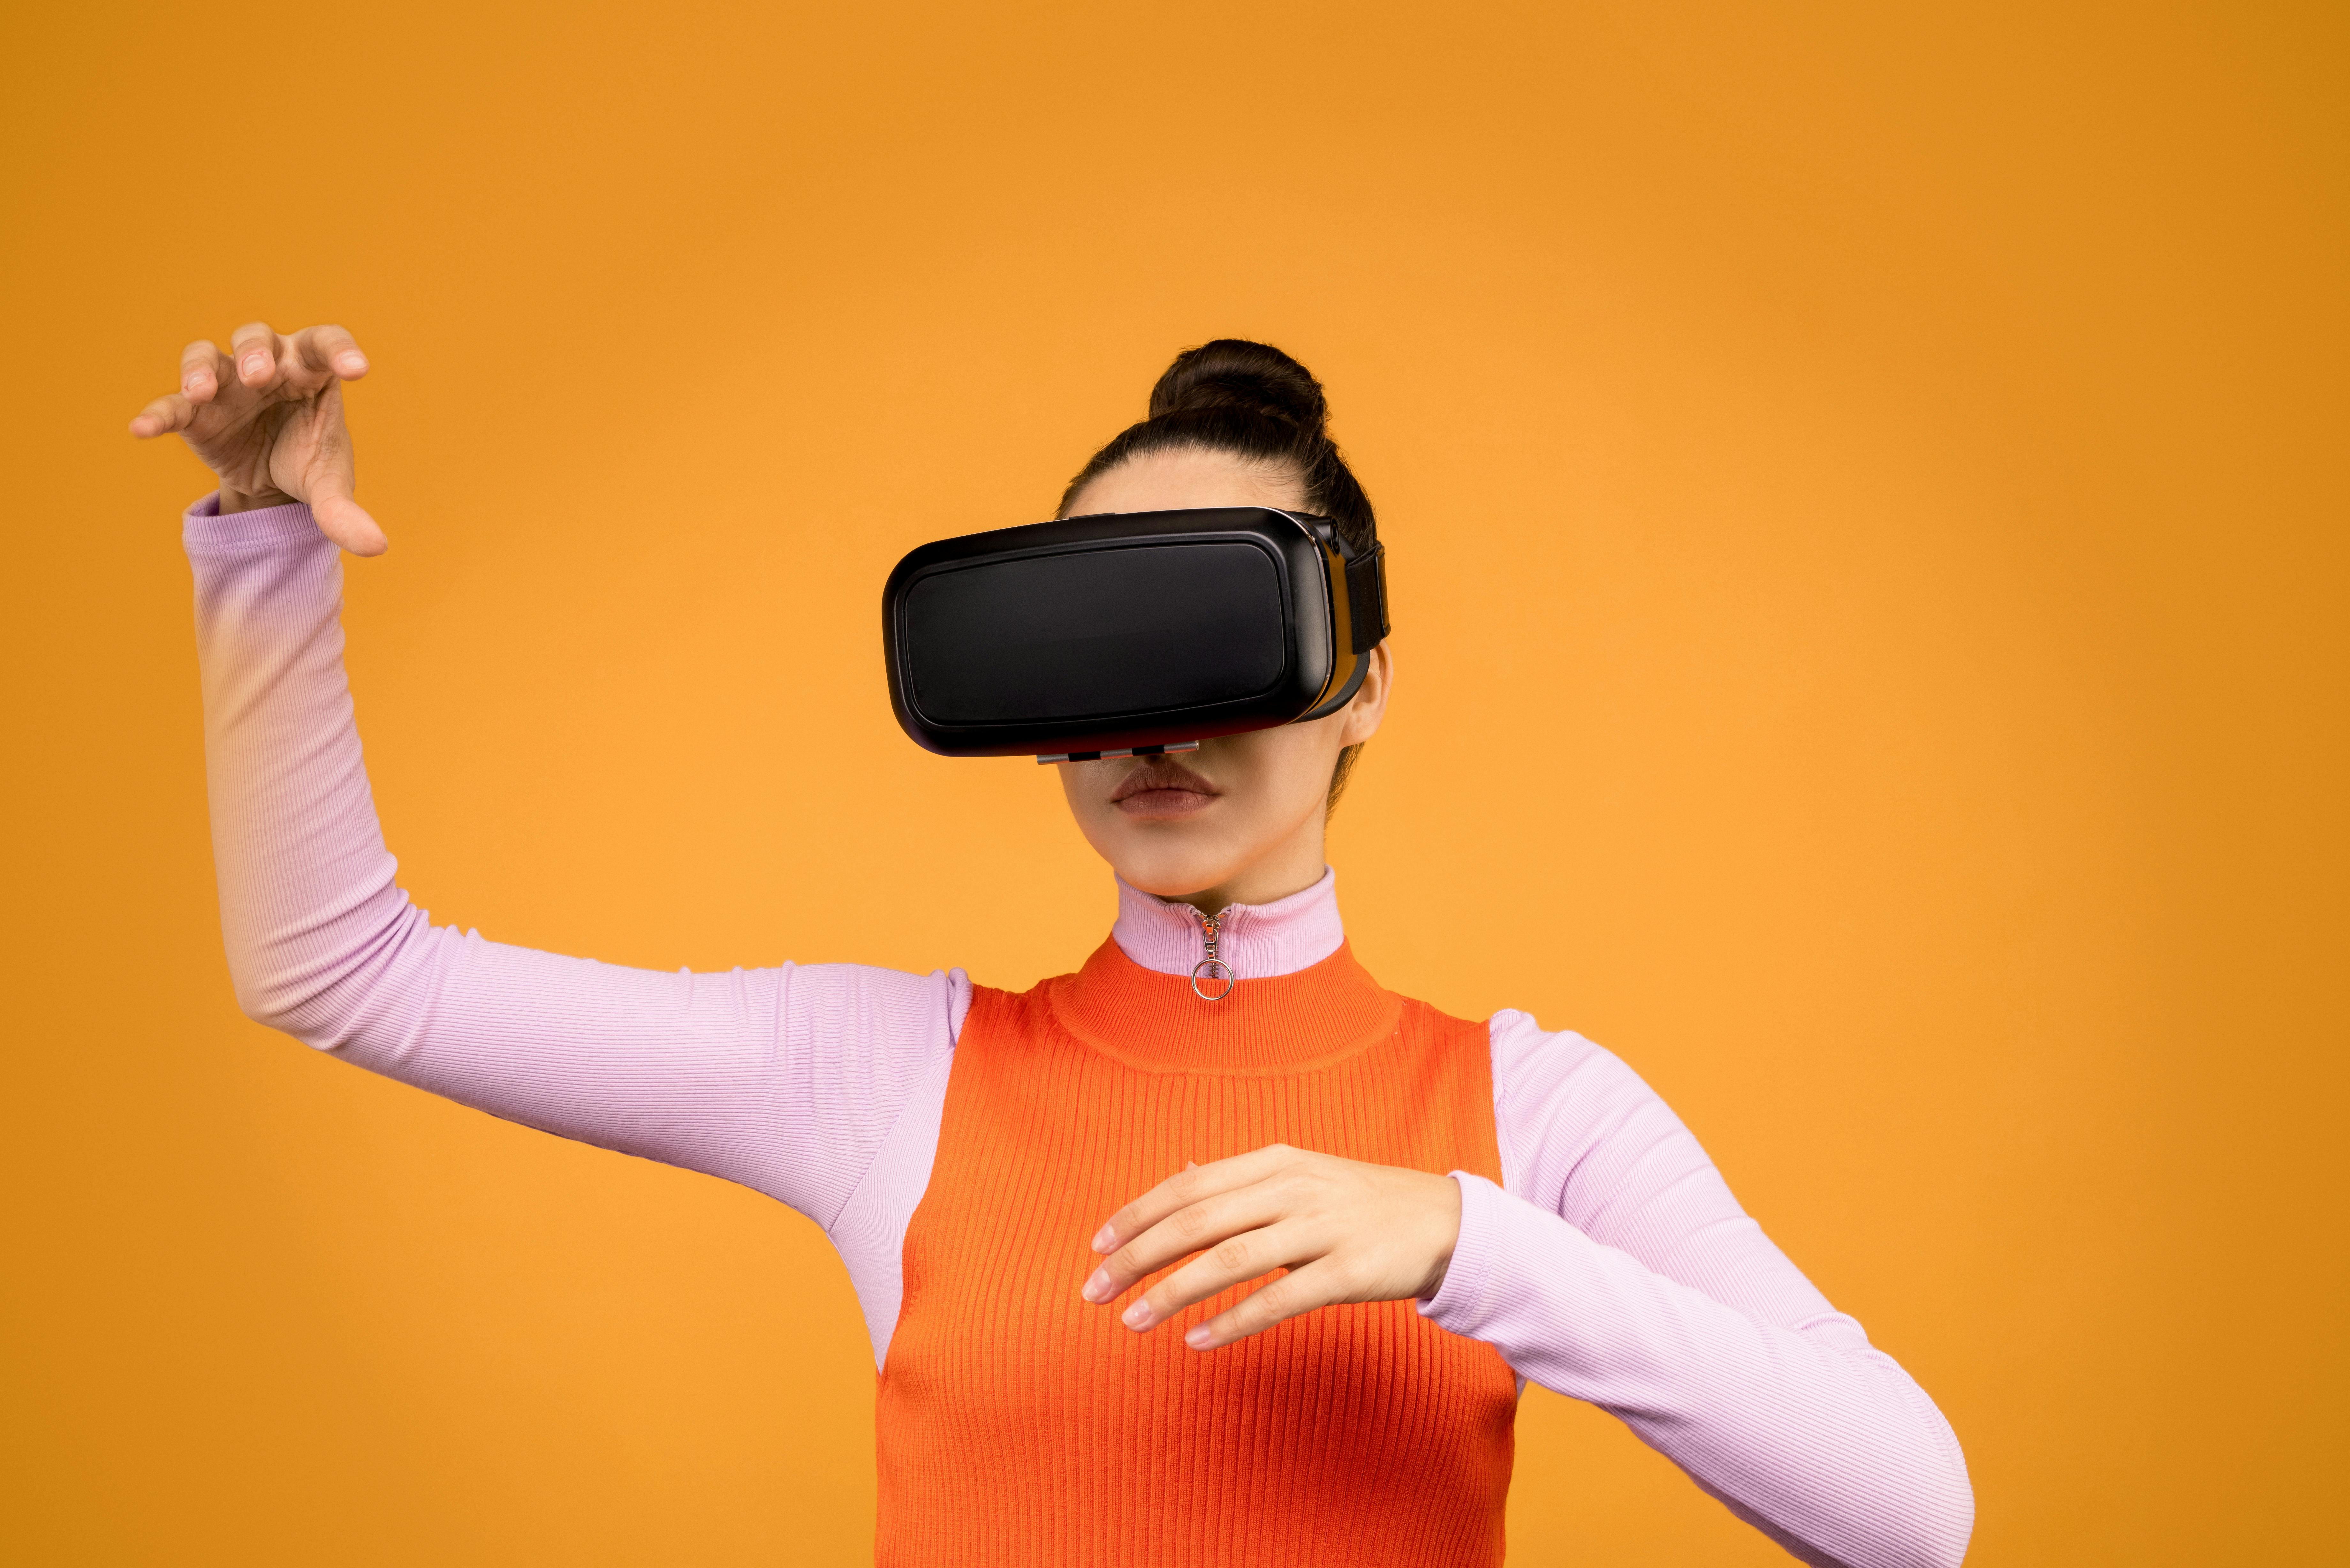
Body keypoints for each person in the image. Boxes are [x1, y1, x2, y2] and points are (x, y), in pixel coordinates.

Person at [132, 325, 1974, 1568]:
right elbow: (342, 968)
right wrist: (267, 543)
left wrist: (1467, 1242)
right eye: (1108, 649)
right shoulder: (893, 1077)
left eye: (1221, 633)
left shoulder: (1534, 1114)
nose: (1158, 724)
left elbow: (1913, 1516)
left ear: (1363, 688)